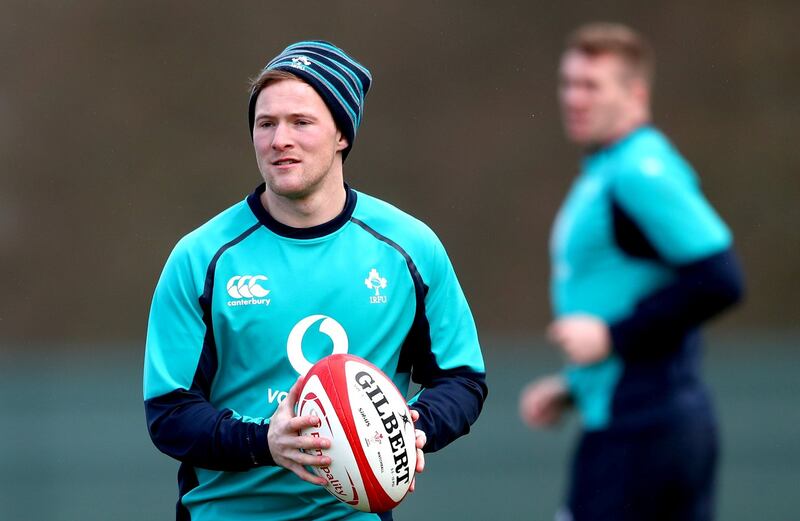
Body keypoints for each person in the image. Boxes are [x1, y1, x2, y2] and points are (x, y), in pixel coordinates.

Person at [144, 40, 487, 521]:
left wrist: (414, 429)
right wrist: (264, 441)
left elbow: (462, 378)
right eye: (266, 124)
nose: (279, 139)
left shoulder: (409, 248)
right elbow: (170, 413)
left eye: (301, 122)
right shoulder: (202, 257)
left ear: (342, 134)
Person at [519, 23, 744, 521]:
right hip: (635, 419)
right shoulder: (607, 170)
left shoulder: (638, 173)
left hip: (645, 431)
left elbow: (721, 279)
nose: (574, 98)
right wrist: (576, 386)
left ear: (635, 93)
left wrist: (611, 337)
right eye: (568, 83)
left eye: (592, 86)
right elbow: (640, 283)